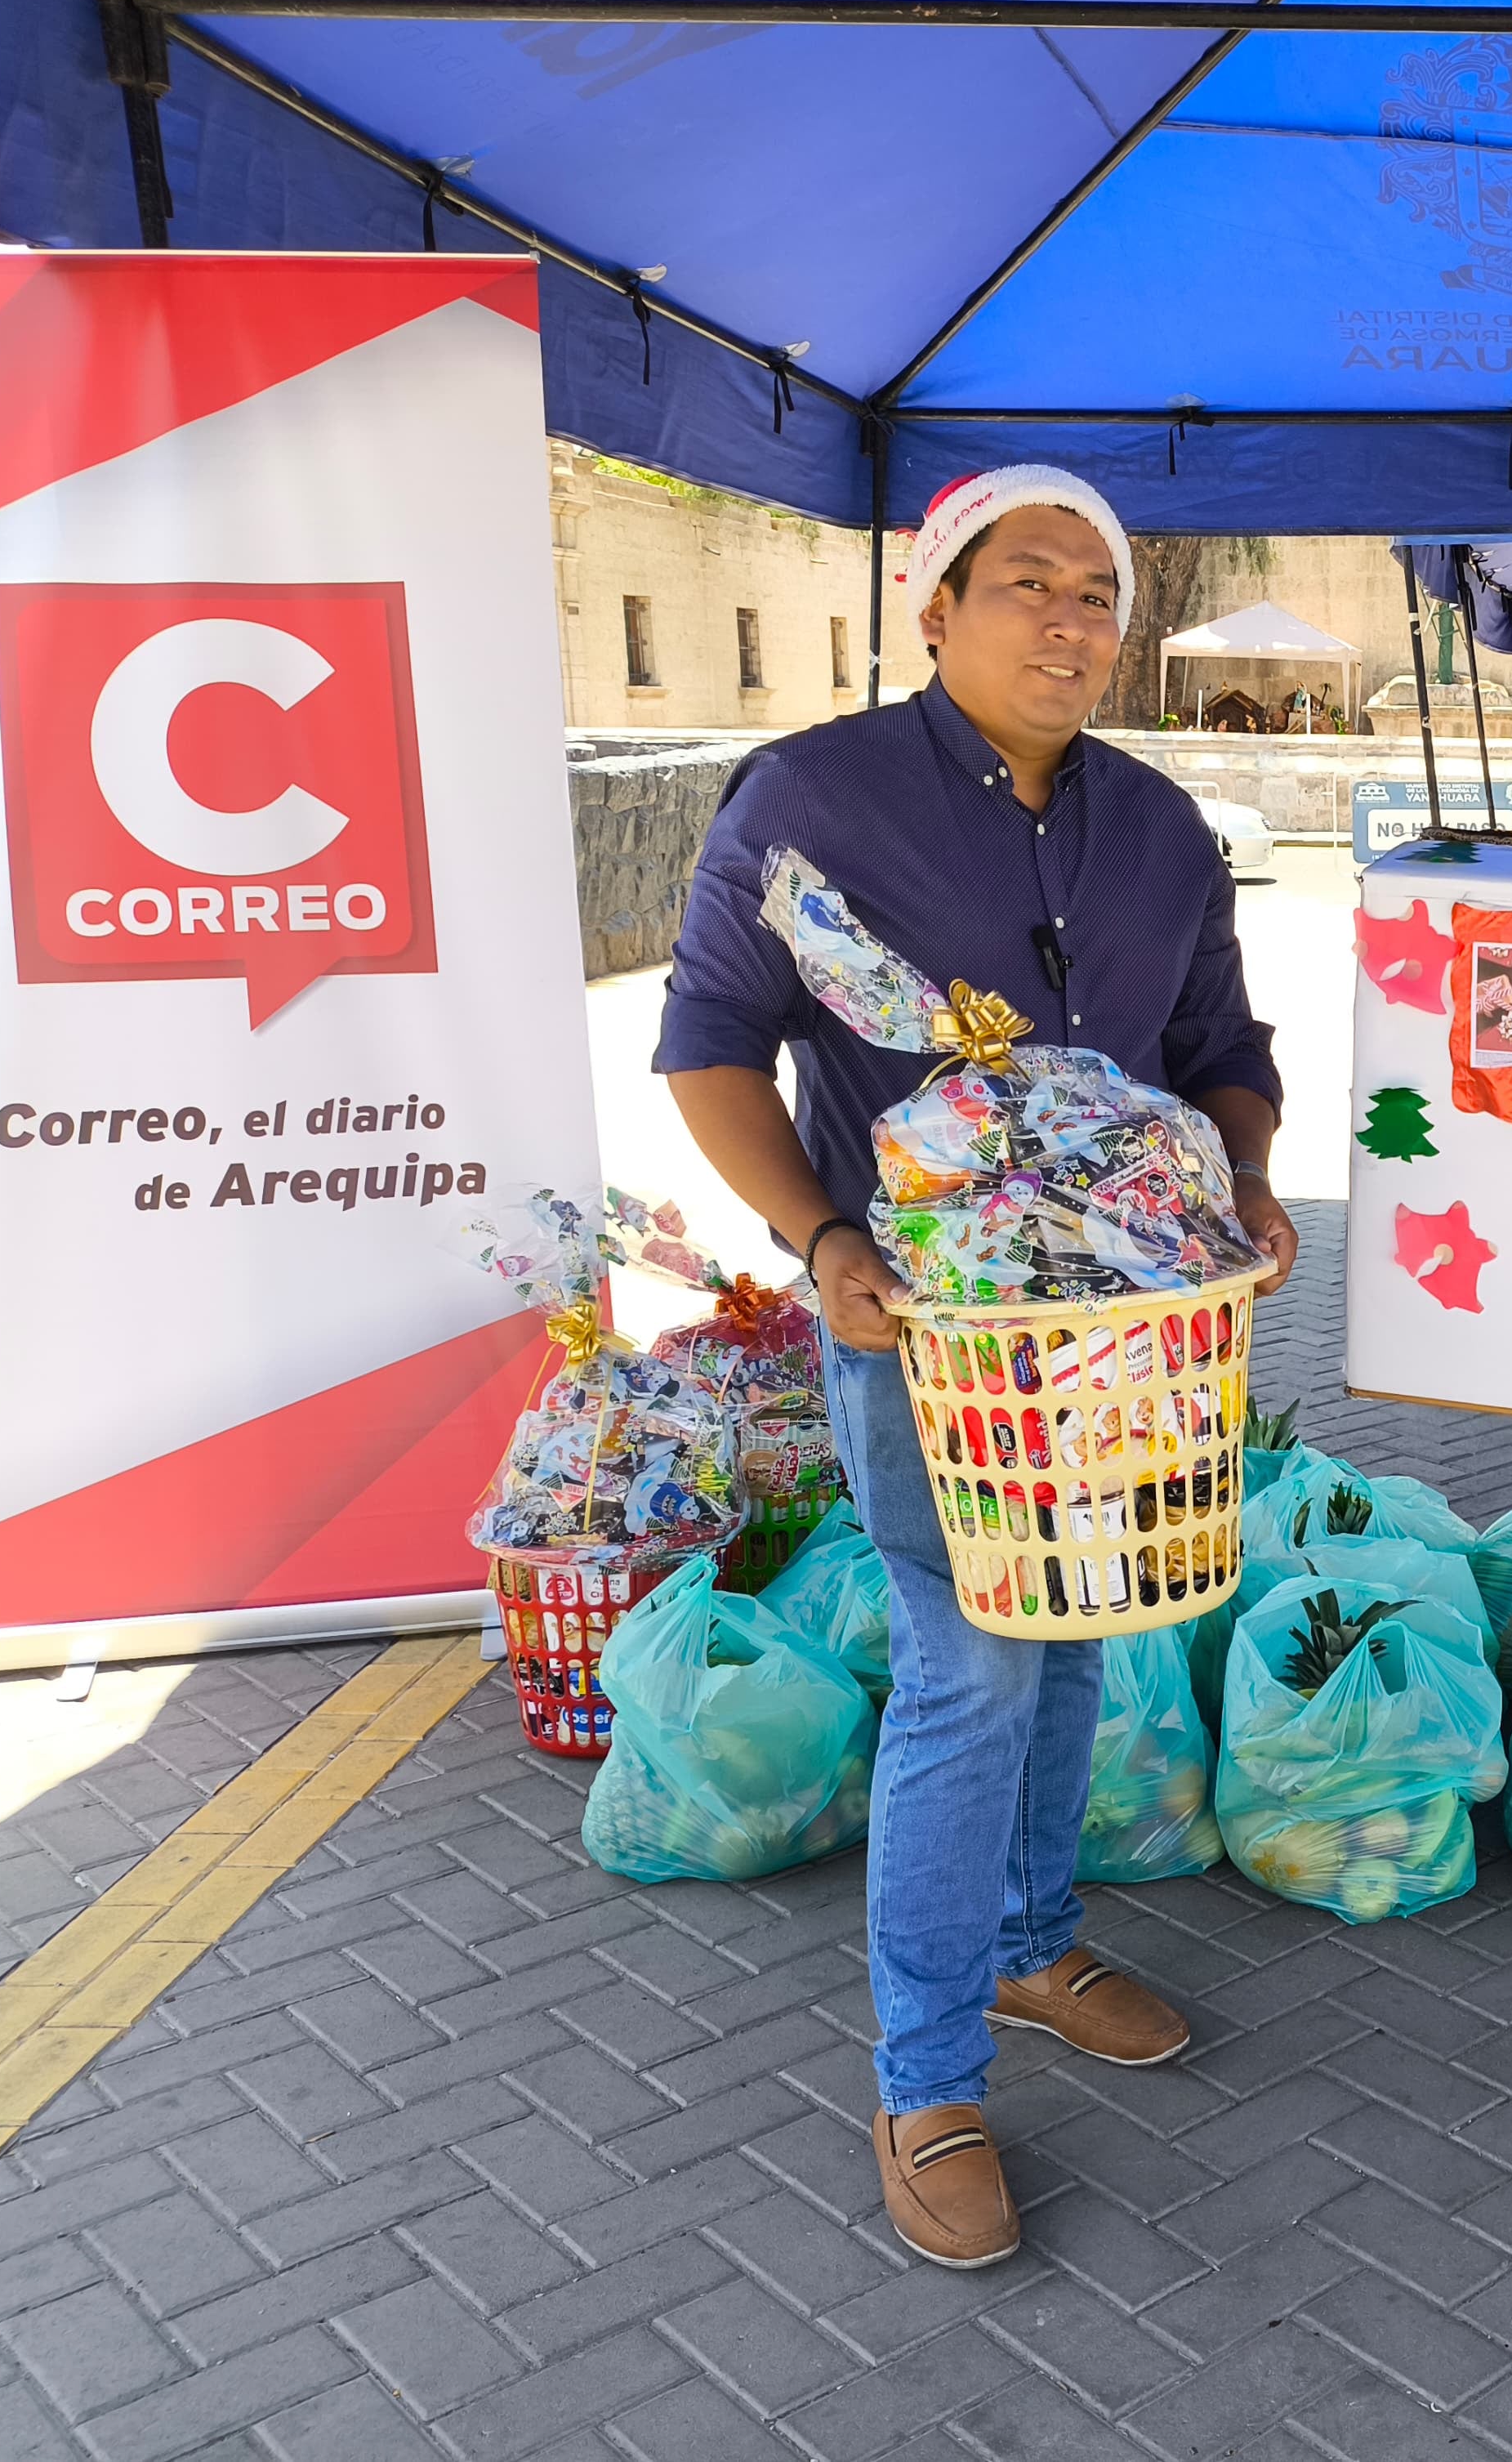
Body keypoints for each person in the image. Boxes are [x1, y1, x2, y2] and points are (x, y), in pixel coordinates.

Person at [654, 466, 1296, 2273]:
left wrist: (1245, 1175)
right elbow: (712, 1045)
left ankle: (1026, 1943)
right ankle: (925, 2073)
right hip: (930, 1345)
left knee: (1082, 1629)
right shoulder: (814, 800)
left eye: (1101, 591)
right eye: (1029, 582)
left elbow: (1219, 1043)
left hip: (1129, 1347)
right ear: (933, 609)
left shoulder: (1164, 829)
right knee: (971, 1674)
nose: (1073, 620)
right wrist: (822, 1236)